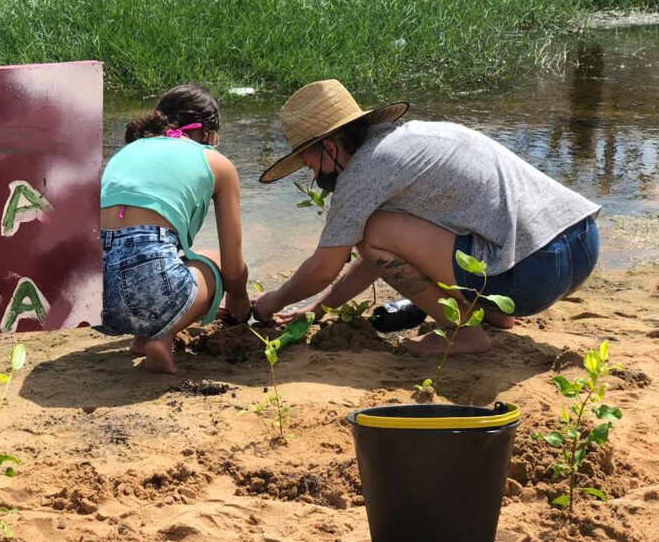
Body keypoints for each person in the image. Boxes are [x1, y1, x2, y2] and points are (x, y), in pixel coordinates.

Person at [251, 80, 601, 357]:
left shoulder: (363, 171)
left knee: (373, 232)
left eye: (309, 161)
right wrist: (317, 308)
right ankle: (495, 313)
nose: (313, 174)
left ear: (329, 146)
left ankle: (464, 335)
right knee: (382, 233)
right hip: (582, 242)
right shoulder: (413, 138)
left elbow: (327, 265)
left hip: (535, 274)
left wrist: (273, 301)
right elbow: (387, 258)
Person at [100, 84, 251, 373]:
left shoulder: (128, 152)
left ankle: (140, 339)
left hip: (95, 303)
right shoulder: (216, 163)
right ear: (206, 134)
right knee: (211, 258)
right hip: (154, 291)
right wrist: (238, 300)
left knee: (137, 250)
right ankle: (161, 338)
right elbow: (233, 267)